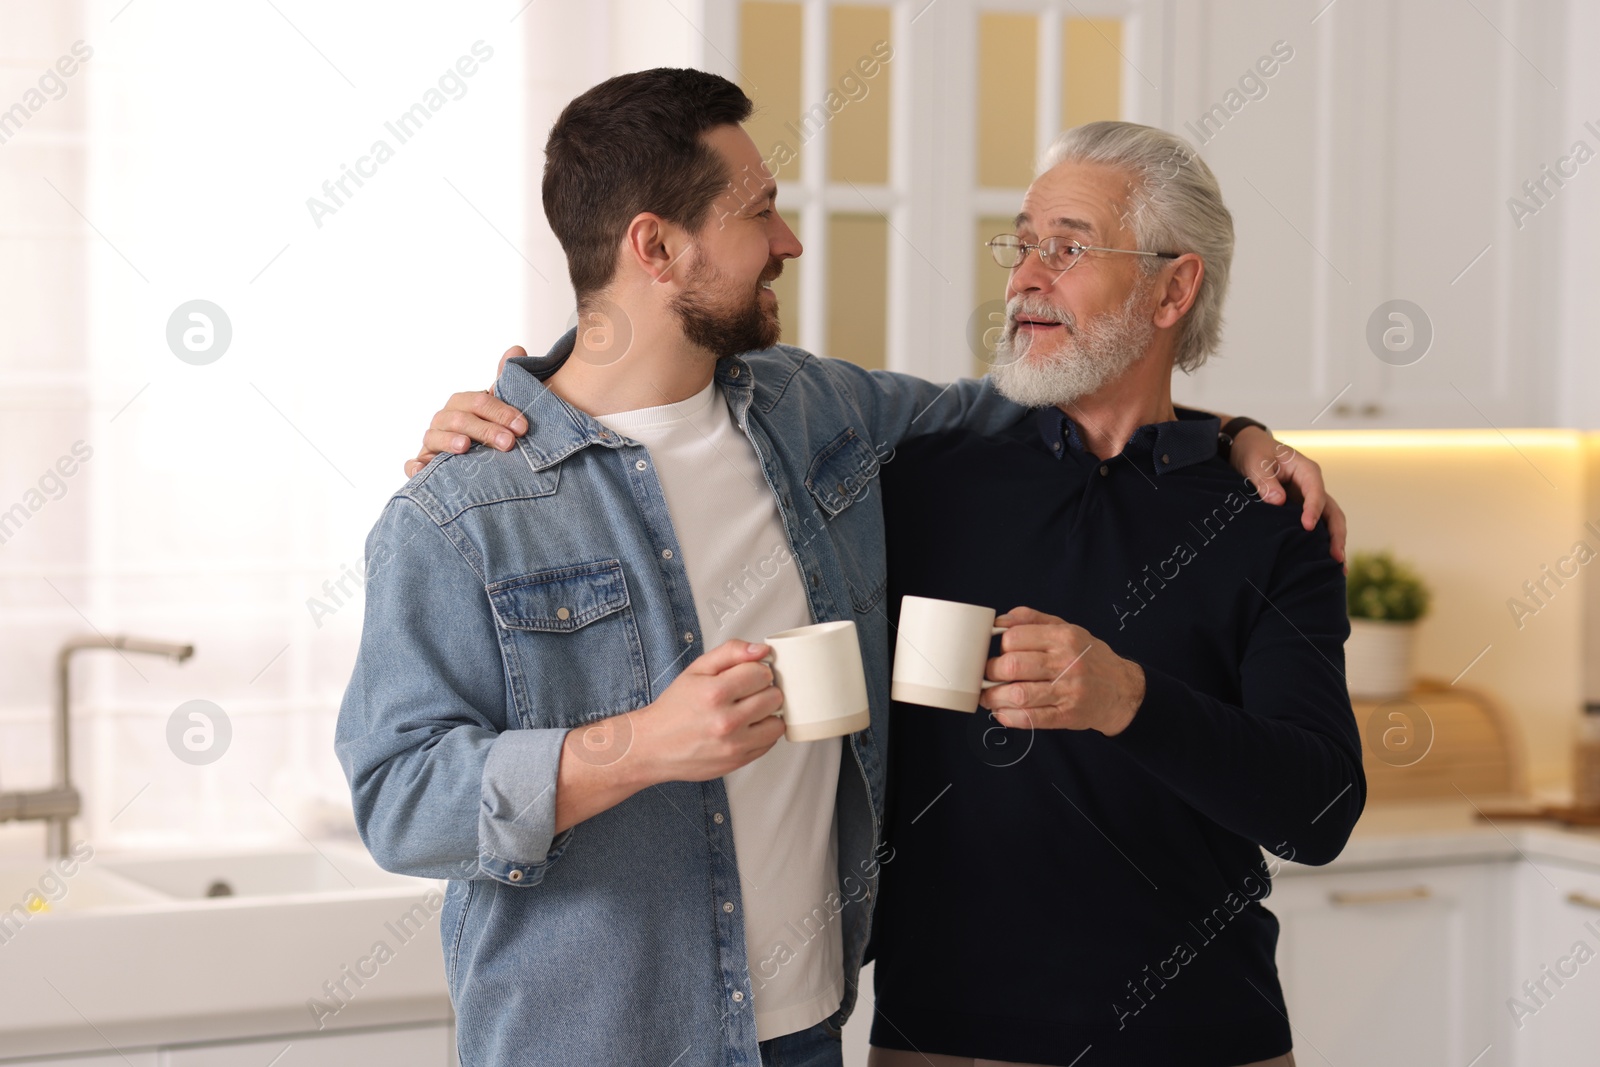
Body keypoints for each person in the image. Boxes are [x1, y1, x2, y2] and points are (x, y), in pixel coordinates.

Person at [373, 71, 1341, 1067]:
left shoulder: (816, 422)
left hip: (819, 1032)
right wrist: (644, 742)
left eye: (1067, 244)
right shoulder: (470, 503)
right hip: (627, 1041)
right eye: (761, 212)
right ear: (656, 246)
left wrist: (1232, 435)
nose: (789, 242)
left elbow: (1054, 397)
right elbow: (400, 798)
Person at [863, 122, 1362, 1067]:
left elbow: (1321, 808)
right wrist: (535, 388)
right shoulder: (916, 477)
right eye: (1022, 243)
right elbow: (717, 425)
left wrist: (1128, 699)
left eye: (1070, 246)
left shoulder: (1266, 516)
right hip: (942, 1040)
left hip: (1205, 1038)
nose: (1023, 276)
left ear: (1175, 287)